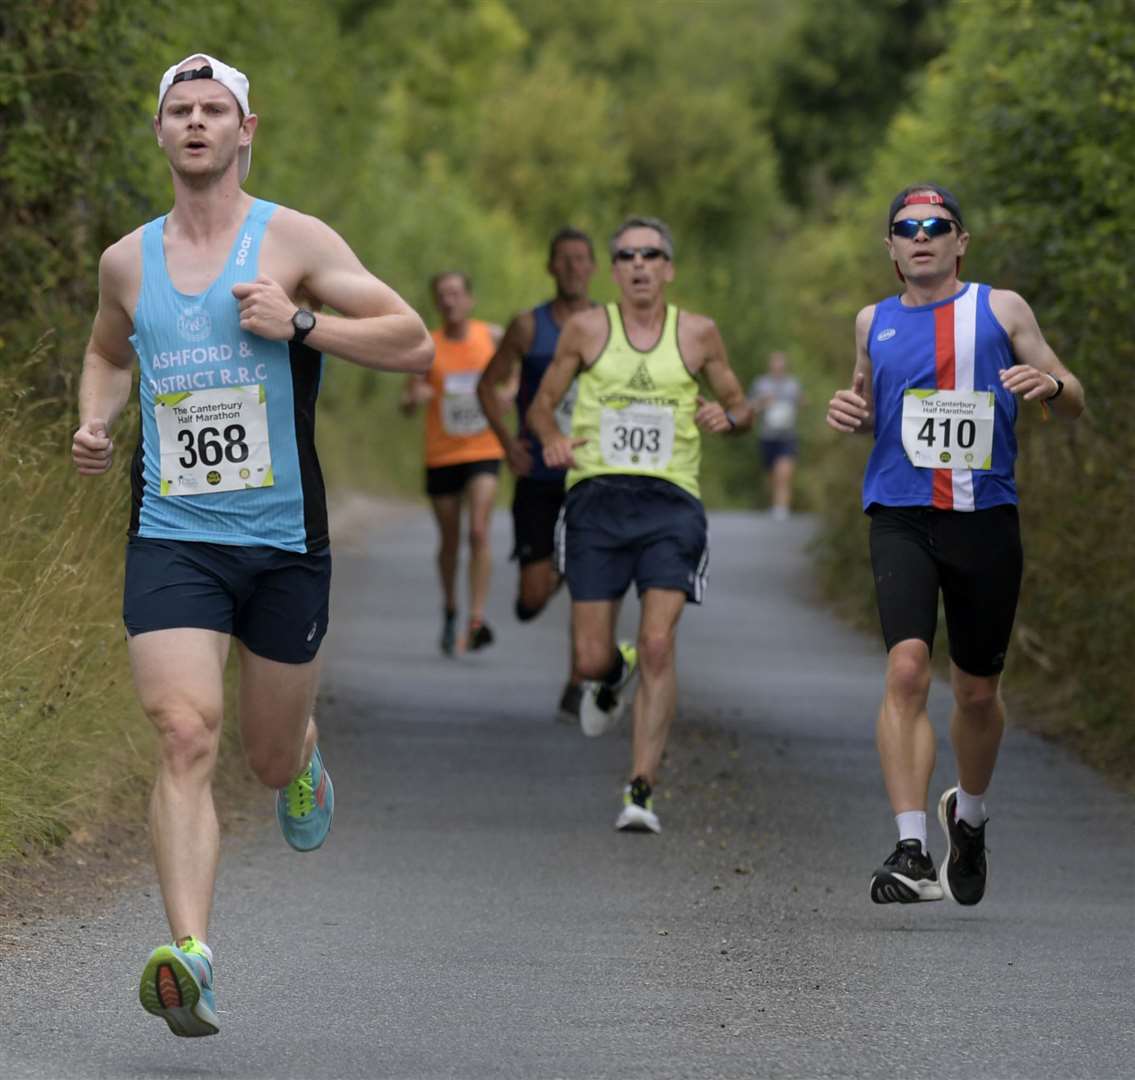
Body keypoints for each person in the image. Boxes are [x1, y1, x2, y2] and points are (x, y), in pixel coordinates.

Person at [70, 54, 433, 1037]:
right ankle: (191, 954)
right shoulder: (126, 262)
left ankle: (303, 750)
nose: (195, 124)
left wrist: (303, 321)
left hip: (282, 541)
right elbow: (107, 352)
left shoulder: (293, 241)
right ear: (160, 132)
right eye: (178, 111)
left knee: (265, 761)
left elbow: (411, 341)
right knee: (185, 733)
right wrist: (95, 421)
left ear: (245, 129)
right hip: (172, 534)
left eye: (213, 110)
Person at [825, 183, 1084, 905]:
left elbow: (1074, 392)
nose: (921, 236)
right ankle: (910, 848)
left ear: (959, 240)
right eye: (905, 227)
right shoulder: (870, 320)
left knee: (975, 691)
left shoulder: (1000, 309)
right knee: (906, 670)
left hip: (983, 517)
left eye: (936, 225)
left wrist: (1051, 387)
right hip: (899, 514)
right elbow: (869, 406)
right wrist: (850, 412)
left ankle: (966, 818)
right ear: (889, 247)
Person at [528, 215, 753, 833]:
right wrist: (550, 439)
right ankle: (612, 670)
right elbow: (542, 404)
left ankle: (640, 788)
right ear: (614, 269)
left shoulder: (699, 334)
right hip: (596, 502)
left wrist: (727, 417)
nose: (639, 265)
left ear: (669, 268)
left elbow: (740, 405)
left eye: (651, 255)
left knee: (660, 642)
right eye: (626, 256)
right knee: (591, 658)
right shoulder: (586, 328)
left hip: (671, 504)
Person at [476, 227, 597, 721]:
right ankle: (548, 575)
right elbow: (486, 386)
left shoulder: (607, 327)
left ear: (592, 268)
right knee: (533, 595)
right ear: (551, 267)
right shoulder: (528, 326)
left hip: (591, 474)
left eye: (580, 259)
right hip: (539, 476)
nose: (571, 267)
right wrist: (508, 446)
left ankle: (577, 681)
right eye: (562, 259)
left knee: (590, 576)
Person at [400, 272, 505, 655]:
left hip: (484, 450)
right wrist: (416, 397)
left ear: (469, 299)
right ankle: (450, 609)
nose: (449, 301)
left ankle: (476, 620)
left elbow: (521, 368)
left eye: (456, 294)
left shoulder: (491, 336)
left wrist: (508, 393)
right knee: (450, 540)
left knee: (478, 532)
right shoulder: (427, 345)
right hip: (442, 454)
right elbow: (407, 400)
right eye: (442, 295)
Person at [748, 350, 803, 519]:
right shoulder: (761, 384)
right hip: (767, 435)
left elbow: (802, 402)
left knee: (784, 472)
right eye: (775, 363)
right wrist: (763, 402)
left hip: (787, 435)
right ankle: (774, 503)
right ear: (770, 365)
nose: (778, 366)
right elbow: (750, 407)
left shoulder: (793, 384)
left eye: (781, 363)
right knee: (772, 474)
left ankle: (782, 508)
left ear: (785, 366)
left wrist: (798, 405)